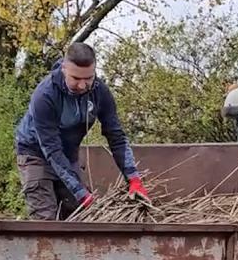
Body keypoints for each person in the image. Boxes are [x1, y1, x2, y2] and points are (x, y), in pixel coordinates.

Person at [15, 42, 150, 220]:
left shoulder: (100, 92)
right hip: (35, 154)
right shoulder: (44, 96)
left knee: (80, 215)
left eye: (88, 78)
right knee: (46, 219)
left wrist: (133, 178)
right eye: (76, 79)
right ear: (64, 68)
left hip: (68, 155)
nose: (82, 85)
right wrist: (80, 192)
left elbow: (116, 136)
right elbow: (52, 149)